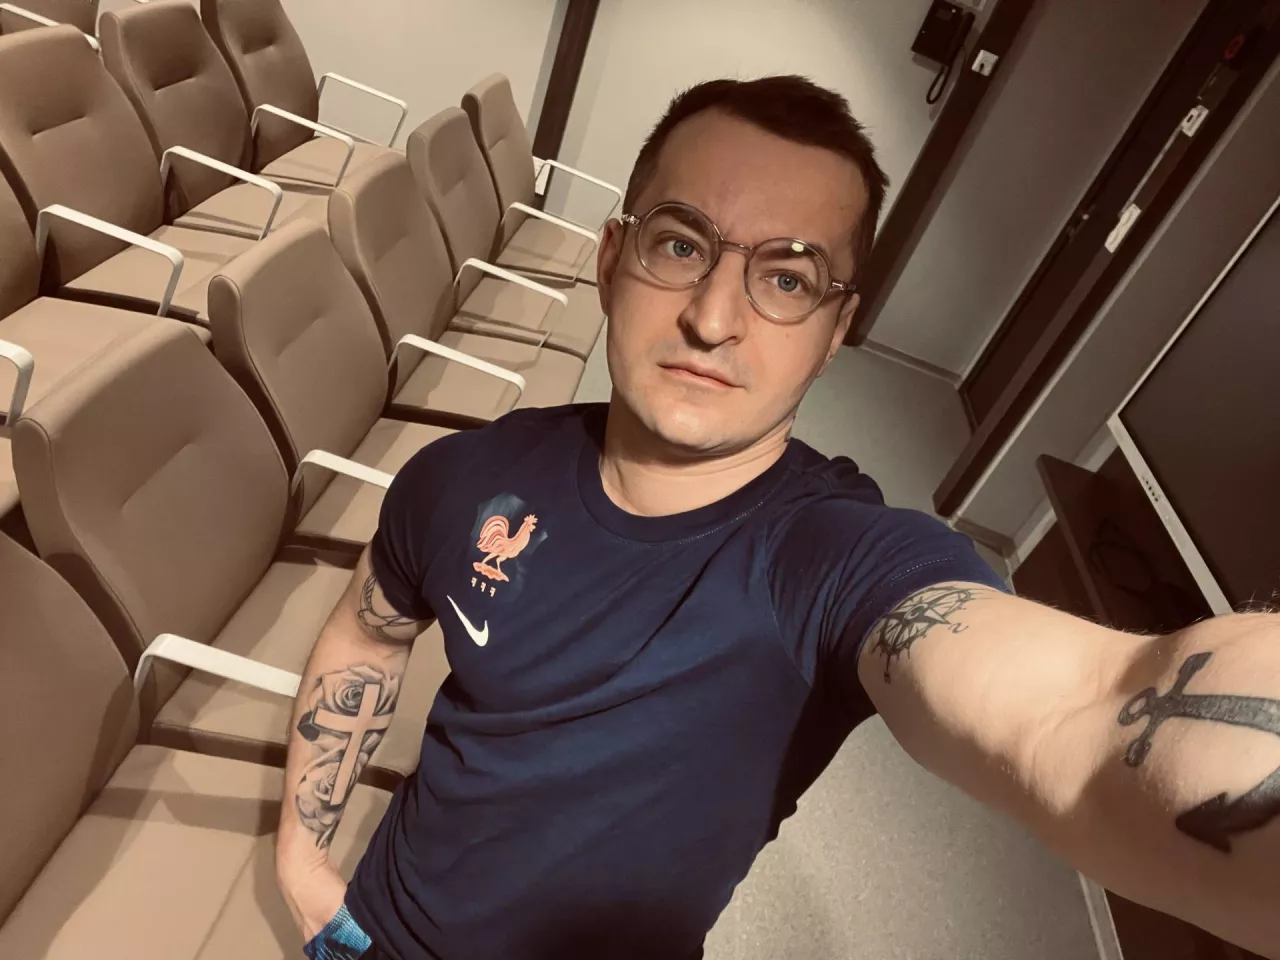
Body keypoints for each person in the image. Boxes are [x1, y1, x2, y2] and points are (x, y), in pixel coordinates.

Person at [275, 76, 1280, 960]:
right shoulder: (468, 475)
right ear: (612, 257)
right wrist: (302, 862)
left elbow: (1088, 710)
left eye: (787, 279)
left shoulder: (830, 561)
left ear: (837, 329)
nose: (713, 319)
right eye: (680, 244)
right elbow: (368, 631)